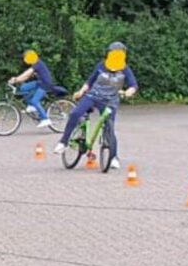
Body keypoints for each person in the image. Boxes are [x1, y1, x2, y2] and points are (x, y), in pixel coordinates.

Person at [53, 42, 137, 170]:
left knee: (109, 127)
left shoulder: (125, 69)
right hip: (93, 96)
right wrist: (81, 92)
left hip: (110, 101)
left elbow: (133, 85)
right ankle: (63, 142)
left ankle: (113, 157)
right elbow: (89, 82)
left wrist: (129, 92)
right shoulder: (101, 66)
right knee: (76, 113)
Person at [8, 49, 56, 128]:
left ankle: (45, 119)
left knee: (35, 100)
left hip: (45, 84)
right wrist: (17, 80)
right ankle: (31, 106)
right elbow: (26, 77)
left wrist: (16, 79)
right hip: (39, 82)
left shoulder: (38, 64)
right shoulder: (35, 64)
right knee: (23, 87)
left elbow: (26, 73)